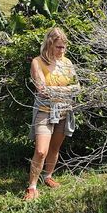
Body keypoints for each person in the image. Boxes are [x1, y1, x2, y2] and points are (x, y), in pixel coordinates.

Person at [24, 28, 80, 200]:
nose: (61, 51)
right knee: (41, 150)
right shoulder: (37, 62)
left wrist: (57, 91)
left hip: (64, 110)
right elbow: (42, 90)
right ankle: (32, 186)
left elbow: (77, 87)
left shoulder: (67, 63)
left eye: (63, 47)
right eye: (58, 47)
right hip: (44, 110)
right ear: (49, 44)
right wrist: (65, 90)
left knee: (55, 148)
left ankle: (47, 176)